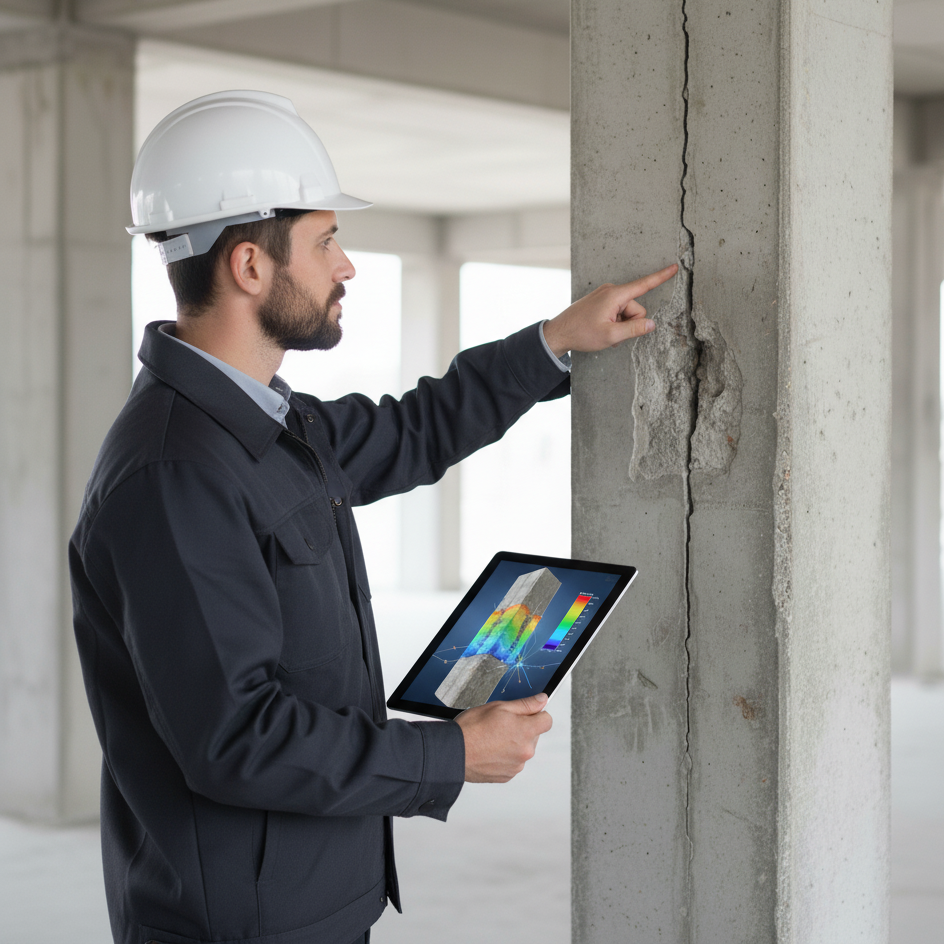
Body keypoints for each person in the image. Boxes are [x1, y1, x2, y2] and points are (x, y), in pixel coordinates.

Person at [69, 90, 677, 944]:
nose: (346, 265)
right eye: (325, 242)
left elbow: (413, 428)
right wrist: (451, 755)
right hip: (241, 925)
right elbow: (238, 737)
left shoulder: (271, 422)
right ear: (250, 266)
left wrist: (555, 340)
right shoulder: (175, 474)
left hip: (316, 896)